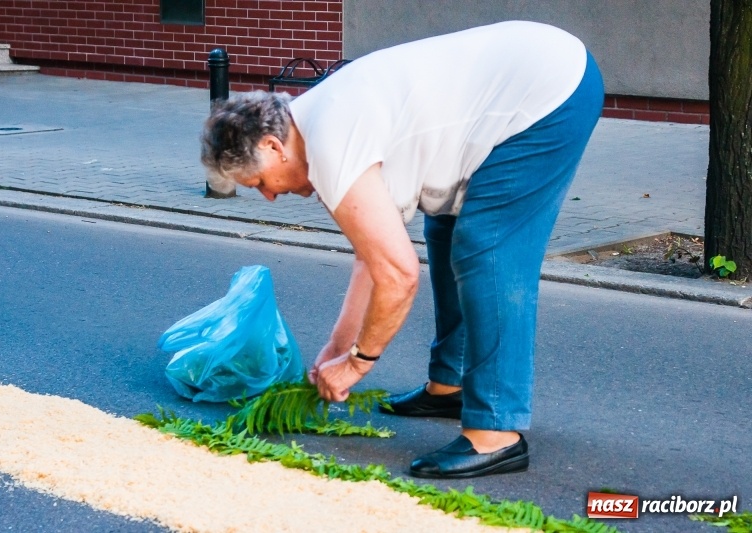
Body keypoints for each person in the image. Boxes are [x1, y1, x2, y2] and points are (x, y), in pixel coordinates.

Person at [201, 20, 604, 479]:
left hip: (549, 92)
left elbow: (398, 274)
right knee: (445, 231)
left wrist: (357, 364)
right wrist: (337, 343)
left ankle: (496, 435)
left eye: (258, 184)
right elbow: (371, 255)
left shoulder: (331, 144)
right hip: (519, 81)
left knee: (487, 247)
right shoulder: (311, 123)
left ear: (273, 147)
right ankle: (448, 386)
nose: (269, 196)